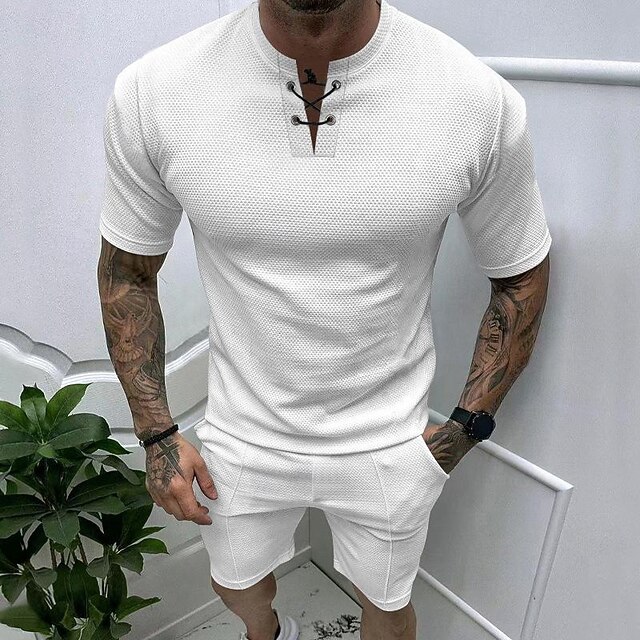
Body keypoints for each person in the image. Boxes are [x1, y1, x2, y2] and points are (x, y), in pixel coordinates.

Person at [96, 0, 552, 638]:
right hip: (242, 434)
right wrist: (156, 435)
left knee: (388, 607)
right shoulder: (155, 91)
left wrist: (464, 430)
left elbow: (521, 273)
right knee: (234, 585)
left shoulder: (474, 98)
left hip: (388, 441)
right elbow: (127, 272)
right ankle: (267, 633)